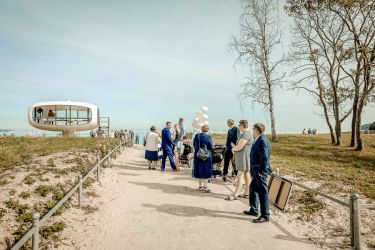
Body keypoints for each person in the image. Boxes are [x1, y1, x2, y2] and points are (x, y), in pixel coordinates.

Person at [244, 123, 272, 223]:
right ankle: (254, 210)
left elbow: (264, 157)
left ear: (257, 130)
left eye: (253, 129)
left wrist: (261, 171)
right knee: (253, 189)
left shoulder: (262, 140)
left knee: (262, 193)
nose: (252, 131)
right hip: (256, 170)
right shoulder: (259, 139)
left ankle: (265, 215)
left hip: (260, 171)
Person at [225, 120, 253, 200]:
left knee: (240, 176)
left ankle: (236, 194)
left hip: (243, 157)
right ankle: (247, 193)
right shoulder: (246, 133)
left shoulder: (246, 133)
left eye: (239, 125)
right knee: (247, 175)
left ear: (242, 125)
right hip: (244, 156)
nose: (238, 126)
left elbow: (240, 146)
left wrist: (233, 149)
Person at [193, 125, 214, 193]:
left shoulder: (197, 136)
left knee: (199, 170)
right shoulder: (209, 137)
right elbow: (211, 147)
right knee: (206, 170)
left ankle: (200, 186)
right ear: (207, 130)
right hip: (206, 156)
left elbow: (194, 144)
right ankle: (205, 187)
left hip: (198, 155)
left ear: (201, 129)